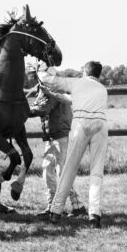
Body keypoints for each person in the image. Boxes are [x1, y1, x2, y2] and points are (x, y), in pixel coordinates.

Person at [37, 61, 108, 228]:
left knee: (69, 168)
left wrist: (40, 68)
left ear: (84, 71)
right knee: (96, 172)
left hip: (81, 124)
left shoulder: (77, 82)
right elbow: (71, 99)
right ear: (98, 74)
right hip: (101, 124)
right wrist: (54, 95)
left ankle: (55, 212)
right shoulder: (102, 89)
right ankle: (94, 215)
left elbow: (49, 79)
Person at [27, 71, 86, 218]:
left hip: (60, 134)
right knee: (47, 170)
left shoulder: (55, 89)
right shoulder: (45, 89)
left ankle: (77, 205)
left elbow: (44, 109)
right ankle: (52, 205)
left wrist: (22, 110)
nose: (33, 78)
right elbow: (37, 105)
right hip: (52, 134)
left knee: (61, 171)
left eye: (35, 75)